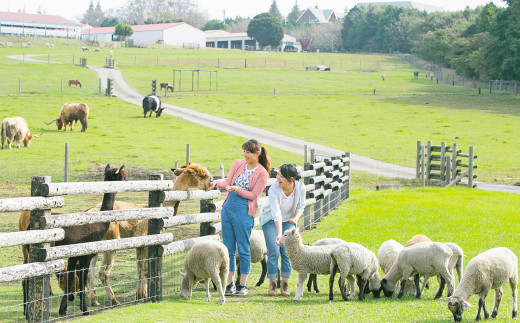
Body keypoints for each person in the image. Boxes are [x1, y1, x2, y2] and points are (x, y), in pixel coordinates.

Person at [207, 139, 270, 296]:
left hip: (244, 211)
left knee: (243, 248)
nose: (244, 154)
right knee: (228, 247)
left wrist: (237, 189)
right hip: (228, 208)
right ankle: (230, 283)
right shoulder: (237, 164)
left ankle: (242, 284)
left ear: (257, 154)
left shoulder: (262, 173)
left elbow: (254, 195)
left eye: (248, 152)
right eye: (243, 151)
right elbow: (227, 181)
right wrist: (216, 184)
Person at [259, 164, 306, 296]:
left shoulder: (300, 187)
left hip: (289, 220)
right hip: (270, 220)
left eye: (281, 176)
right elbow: (276, 213)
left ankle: (284, 285)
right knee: (274, 251)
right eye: (277, 174)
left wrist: (295, 219)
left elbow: (301, 206)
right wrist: (279, 234)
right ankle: (272, 285)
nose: (277, 178)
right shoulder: (274, 189)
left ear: (291, 179)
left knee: (286, 251)